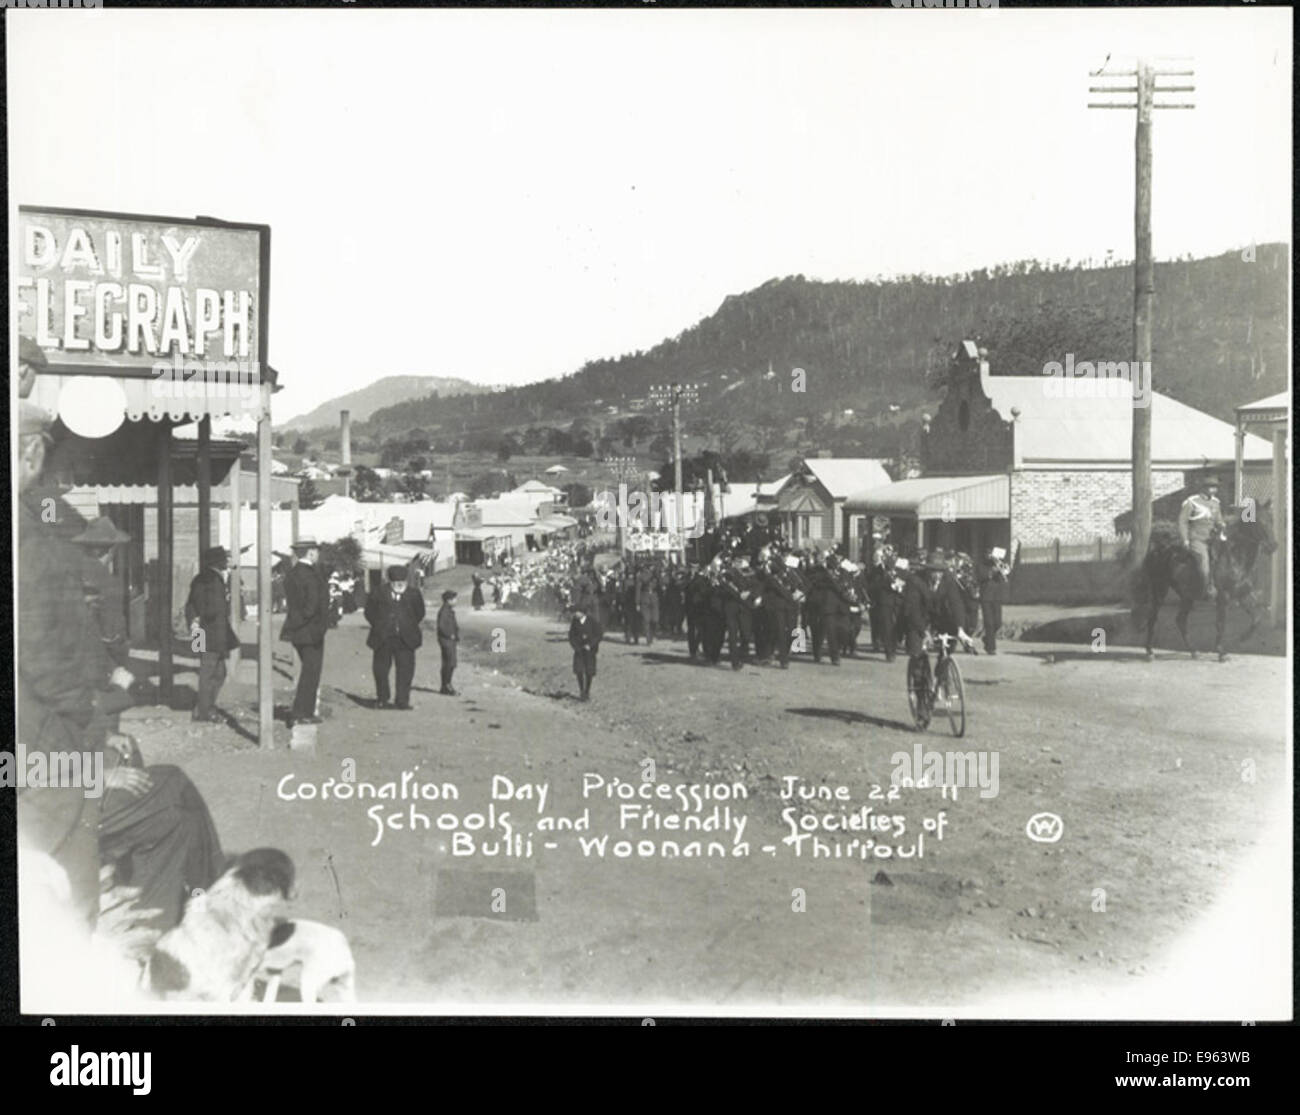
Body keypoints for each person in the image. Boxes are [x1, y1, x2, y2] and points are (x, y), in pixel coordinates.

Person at [15, 401, 104, 925]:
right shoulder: (32, 542)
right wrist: (83, 712)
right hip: (41, 737)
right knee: (72, 860)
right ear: (31, 452)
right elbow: (46, 658)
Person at [185, 545, 240, 723]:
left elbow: (193, 604)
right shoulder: (212, 580)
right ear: (218, 562)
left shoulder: (204, 578)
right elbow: (210, 608)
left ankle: (205, 706)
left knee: (216, 672)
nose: (227, 561)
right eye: (225, 559)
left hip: (202, 632)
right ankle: (204, 711)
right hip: (210, 633)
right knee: (210, 672)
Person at [280, 537, 329, 725]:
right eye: (316, 551)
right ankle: (302, 712)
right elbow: (312, 605)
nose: (318, 554)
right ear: (310, 552)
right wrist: (316, 624)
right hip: (311, 630)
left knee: (308, 671)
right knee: (311, 672)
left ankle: (302, 711)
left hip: (298, 630)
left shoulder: (292, 573)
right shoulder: (310, 574)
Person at [365, 564, 425, 710]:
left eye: (402, 582)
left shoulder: (414, 594)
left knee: (405, 670)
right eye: (396, 583)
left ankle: (402, 701)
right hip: (383, 638)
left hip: (406, 639)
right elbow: (369, 613)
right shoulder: (378, 593)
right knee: (381, 670)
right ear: (389, 581)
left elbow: (419, 613)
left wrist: (406, 625)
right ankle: (382, 699)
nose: (399, 585)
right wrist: (381, 625)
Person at [1178, 476, 1226, 600]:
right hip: (1197, 539)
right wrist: (1185, 539)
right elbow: (1182, 521)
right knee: (1204, 564)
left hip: (1213, 539)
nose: (1213, 490)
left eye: (1215, 487)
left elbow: (1218, 519)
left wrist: (1221, 525)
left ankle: (1220, 588)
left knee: (1225, 561)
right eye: (1210, 487)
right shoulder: (1192, 502)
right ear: (1203, 488)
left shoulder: (1216, 502)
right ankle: (1202, 592)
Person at [977, 546, 1011, 654]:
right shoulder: (981, 565)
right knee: (989, 623)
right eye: (988, 555)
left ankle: (987, 638)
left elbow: (1003, 579)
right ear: (985, 555)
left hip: (996, 597)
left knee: (998, 623)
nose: (990, 557)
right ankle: (991, 648)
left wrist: (1003, 571)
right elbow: (980, 577)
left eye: (991, 554)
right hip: (986, 597)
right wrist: (991, 572)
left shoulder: (998, 564)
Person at [568, 602, 603, 700]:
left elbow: (599, 635)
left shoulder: (593, 621)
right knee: (578, 670)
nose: (575, 614)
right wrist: (576, 647)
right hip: (579, 650)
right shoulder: (574, 622)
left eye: (576, 612)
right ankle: (581, 690)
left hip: (590, 651)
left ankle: (587, 691)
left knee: (589, 671)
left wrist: (590, 645)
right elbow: (571, 636)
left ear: (582, 612)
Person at [437, 589, 460, 695]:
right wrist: (450, 635)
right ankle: (447, 685)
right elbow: (442, 626)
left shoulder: (447, 610)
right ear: (448, 600)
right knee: (449, 663)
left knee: (449, 663)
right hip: (447, 641)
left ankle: (445, 685)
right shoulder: (444, 611)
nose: (456, 601)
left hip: (449, 640)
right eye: (454, 599)